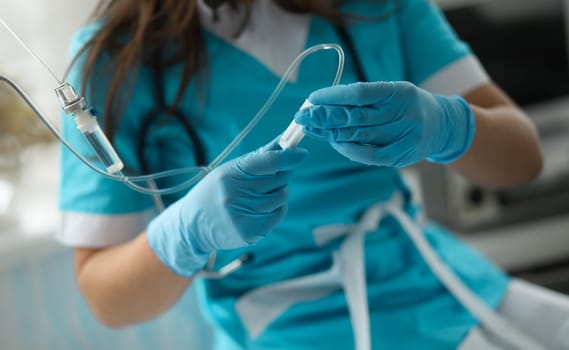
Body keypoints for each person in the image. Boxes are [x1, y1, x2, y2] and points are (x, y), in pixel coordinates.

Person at [57, 0, 559, 349]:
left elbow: (524, 159)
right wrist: (182, 235)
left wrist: (449, 124)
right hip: (279, 331)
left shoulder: (377, 9)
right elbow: (108, 300)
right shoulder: (110, 64)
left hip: (436, 292)